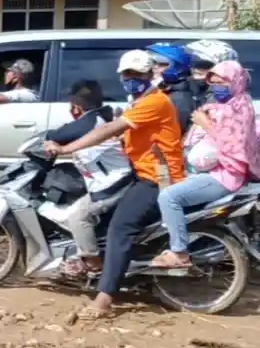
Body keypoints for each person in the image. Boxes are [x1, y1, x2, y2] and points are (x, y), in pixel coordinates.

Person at [44, 50, 184, 318]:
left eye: (137, 74)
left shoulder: (153, 102)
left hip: (158, 178)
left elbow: (108, 129)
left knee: (120, 229)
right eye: (127, 74)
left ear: (149, 75)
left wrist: (65, 148)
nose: (131, 79)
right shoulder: (140, 100)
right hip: (144, 172)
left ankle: (104, 300)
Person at [152, 60, 260, 269]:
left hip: (226, 175)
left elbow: (233, 147)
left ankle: (179, 253)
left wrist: (206, 124)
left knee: (169, 196)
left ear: (236, 82)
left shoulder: (235, 111)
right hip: (217, 170)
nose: (217, 88)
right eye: (214, 83)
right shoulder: (237, 104)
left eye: (223, 83)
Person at [45, 80, 133, 278]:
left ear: (76, 106)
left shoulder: (91, 122)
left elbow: (61, 133)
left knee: (77, 217)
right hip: (109, 180)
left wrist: (49, 139)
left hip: (113, 184)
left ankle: (93, 261)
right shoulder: (99, 116)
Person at [145, 43, 197, 132]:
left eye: (161, 64)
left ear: (177, 67)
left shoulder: (179, 98)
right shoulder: (165, 91)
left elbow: (173, 131)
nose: (154, 68)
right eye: (153, 63)